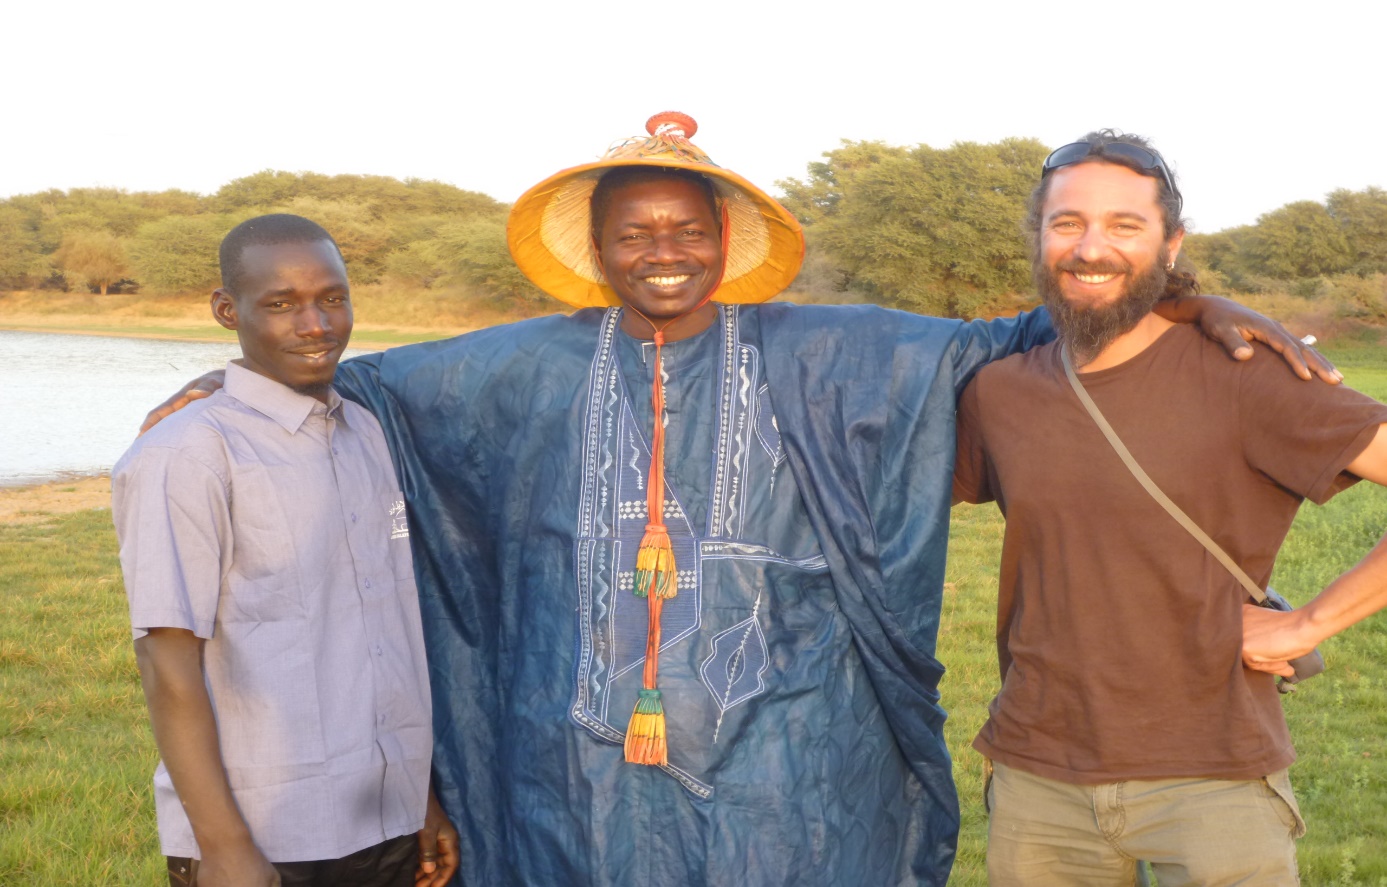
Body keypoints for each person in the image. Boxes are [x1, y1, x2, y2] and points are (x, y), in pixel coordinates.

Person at [142, 116, 1333, 886]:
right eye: (632, 232)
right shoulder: (518, 365)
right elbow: (364, 383)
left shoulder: (828, 348)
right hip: (582, 779)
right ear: (600, 249)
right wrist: (223, 376)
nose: (660, 247)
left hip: (784, 760)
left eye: (682, 227)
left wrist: (1200, 300)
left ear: (723, 239)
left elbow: (1031, 323)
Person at [953, 131, 1387, 885]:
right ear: (1039, 237)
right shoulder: (999, 392)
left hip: (1213, 776)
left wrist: (1309, 621)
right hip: (1038, 775)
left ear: (1170, 241)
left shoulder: (1246, 376)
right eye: (1067, 223)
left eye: (1125, 224)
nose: (1091, 246)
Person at [112, 214, 458, 887]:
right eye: (280, 304)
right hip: (267, 837)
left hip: (386, 827)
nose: (316, 325)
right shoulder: (187, 452)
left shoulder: (364, 433)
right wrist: (225, 846)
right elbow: (166, 661)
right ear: (226, 308)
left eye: (332, 297)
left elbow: (380, 640)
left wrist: (419, 798)